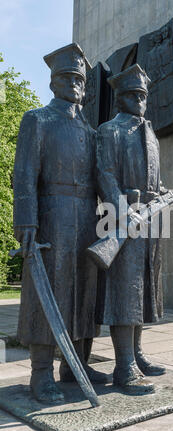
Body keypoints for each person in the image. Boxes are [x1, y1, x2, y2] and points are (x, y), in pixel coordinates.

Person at [13, 43, 107, 404]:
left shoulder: (90, 130)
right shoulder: (37, 119)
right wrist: (27, 221)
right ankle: (41, 374)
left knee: (85, 290)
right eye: (67, 77)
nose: (75, 85)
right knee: (47, 294)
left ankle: (76, 365)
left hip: (87, 217)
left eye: (80, 79)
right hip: (51, 215)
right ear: (53, 82)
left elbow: (102, 177)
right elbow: (24, 176)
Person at [96, 64, 173, 393]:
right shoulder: (110, 130)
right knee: (125, 292)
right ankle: (123, 366)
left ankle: (137, 355)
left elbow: (156, 183)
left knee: (143, 293)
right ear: (121, 98)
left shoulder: (150, 134)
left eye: (144, 96)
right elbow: (105, 174)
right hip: (122, 218)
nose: (140, 101)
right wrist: (124, 211)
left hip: (150, 222)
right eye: (134, 95)